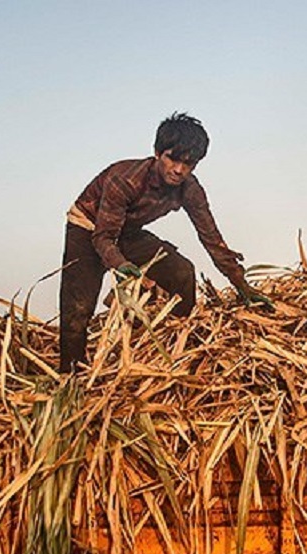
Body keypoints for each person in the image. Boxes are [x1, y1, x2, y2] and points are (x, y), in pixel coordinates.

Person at [58, 112, 270, 372]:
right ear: (158, 152)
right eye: (173, 159)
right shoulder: (125, 179)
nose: (179, 170)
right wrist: (122, 265)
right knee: (77, 310)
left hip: (129, 231)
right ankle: (70, 376)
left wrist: (242, 286)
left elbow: (212, 240)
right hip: (88, 227)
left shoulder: (190, 189)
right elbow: (102, 237)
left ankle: (176, 350)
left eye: (189, 163)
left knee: (182, 272)